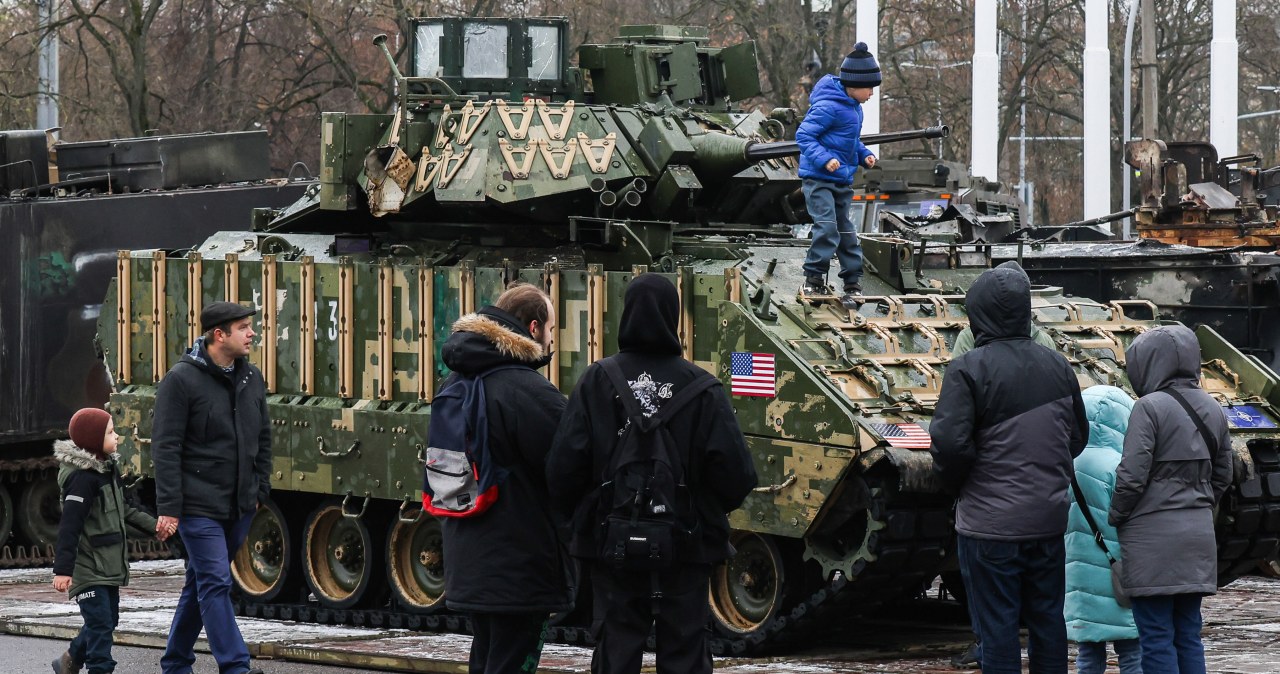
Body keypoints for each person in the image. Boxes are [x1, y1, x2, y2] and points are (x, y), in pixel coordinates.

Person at [546, 273, 757, 674]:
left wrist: (592, 515)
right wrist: (696, 509)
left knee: (616, 646)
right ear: (673, 316)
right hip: (687, 544)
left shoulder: (596, 380)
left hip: (613, 543)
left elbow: (562, 469)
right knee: (686, 646)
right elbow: (738, 475)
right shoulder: (703, 388)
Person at [930, 263, 1088, 674]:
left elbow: (950, 446)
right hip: (1049, 521)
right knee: (1048, 622)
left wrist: (961, 488)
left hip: (989, 526)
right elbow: (1077, 437)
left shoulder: (967, 369)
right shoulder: (1058, 365)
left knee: (997, 629)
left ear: (978, 313)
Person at [438, 282, 571, 674]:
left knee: (487, 658)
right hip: (521, 565)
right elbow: (569, 465)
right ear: (533, 328)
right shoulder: (528, 391)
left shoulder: (456, 381)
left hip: (469, 556)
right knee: (513, 661)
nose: (551, 338)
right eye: (550, 328)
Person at [152, 301, 271, 674]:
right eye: (243, 327)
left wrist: (258, 491)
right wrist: (170, 506)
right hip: (196, 507)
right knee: (217, 582)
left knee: (200, 582)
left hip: (239, 505)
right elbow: (166, 447)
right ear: (219, 335)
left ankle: (175, 663)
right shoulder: (181, 380)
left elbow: (263, 437)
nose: (252, 333)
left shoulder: (251, 378)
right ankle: (236, 666)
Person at [946, 260, 1054, 670]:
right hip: (1044, 504)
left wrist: (958, 483)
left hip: (988, 503)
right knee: (1046, 614)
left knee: (995, 616)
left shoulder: (968, 350)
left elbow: (954, 434)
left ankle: (985, 647)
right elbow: (1072, 432)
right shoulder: (1049, 351)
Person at [1108, 324, 1232, 674]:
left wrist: (1116, 515)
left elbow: (1132, 476)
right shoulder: (1213, 406)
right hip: (1197, 539)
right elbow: (1223, 475)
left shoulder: (1148, 408)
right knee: (1189, 634)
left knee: (1156, 635)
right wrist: (1198, 506)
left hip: (1151, 542)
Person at [51, 408, 168, 674]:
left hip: (107, 563)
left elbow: (124, 509)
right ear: (93, 439)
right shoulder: (81, 479)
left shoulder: (106, 470)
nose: (117, 437)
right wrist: (63, 570)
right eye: (110, 432)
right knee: (101, 626)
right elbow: (70, 526)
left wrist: (158, 528)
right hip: (87, 566)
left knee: (107, 620)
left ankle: (70, 659)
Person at [1065, 385, 1143, 674]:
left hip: (1077, 573)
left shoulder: (1066, 461)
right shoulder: (1120, 465)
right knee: (1132, 651)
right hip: (1119, 573)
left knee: (1088, 652)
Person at [796, 41, 880, 307]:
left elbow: (849, 141)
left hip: (841, 181)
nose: (872, 93)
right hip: (819, 180)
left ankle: (852, 282)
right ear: (853, 85)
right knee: (827, 228)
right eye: (870, 88)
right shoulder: (828, 106)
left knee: (847, 232)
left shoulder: (854, 109)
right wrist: (826, 159)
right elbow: (804, 136)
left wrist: (863, 154)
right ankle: (813, 279)